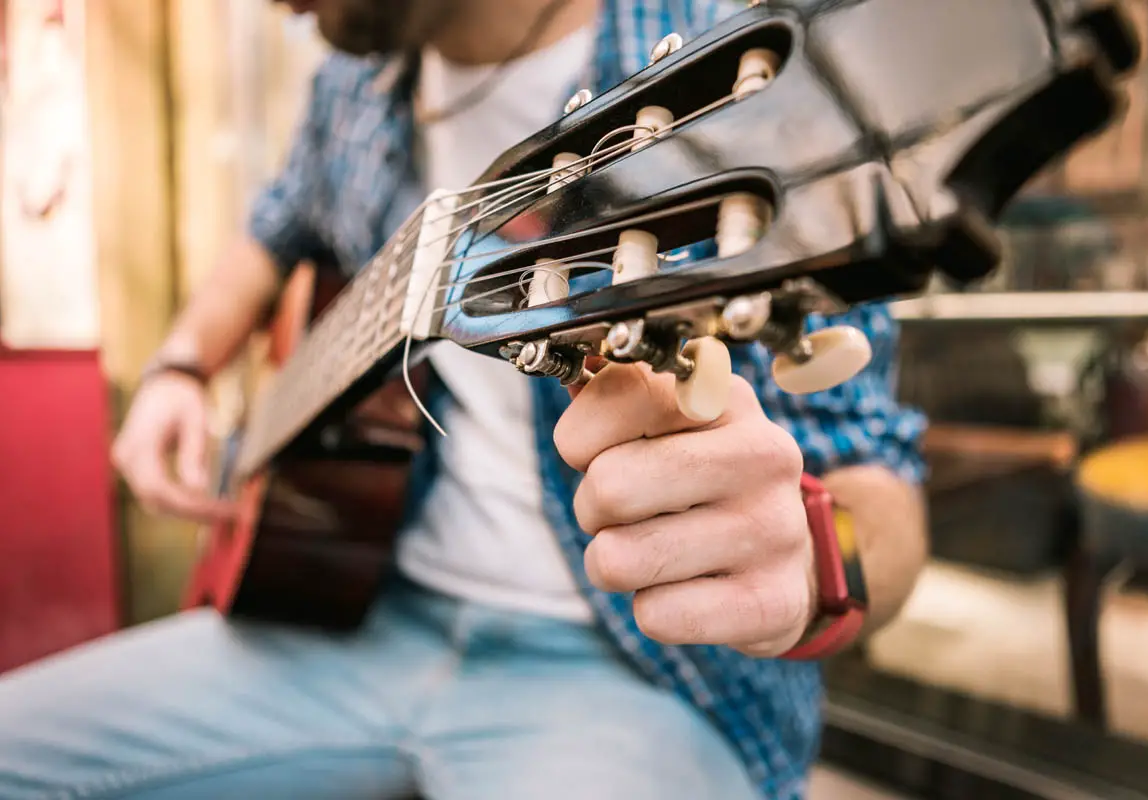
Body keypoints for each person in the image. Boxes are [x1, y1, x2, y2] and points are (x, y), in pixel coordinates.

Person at [0, 1, 929, 798]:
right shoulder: (352, 86)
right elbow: (272, 230)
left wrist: (809, 568)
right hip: (353, 620)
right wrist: (179, 369)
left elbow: (881, 485)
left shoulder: (737, 58)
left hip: (638, 676)